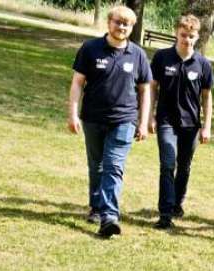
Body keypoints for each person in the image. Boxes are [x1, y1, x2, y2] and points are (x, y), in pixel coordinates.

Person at [68, 4, 151, 237]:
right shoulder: (90, 48)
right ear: (109, 22)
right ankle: (96, 207)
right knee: (97, 165)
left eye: (127, 24)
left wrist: (143, 122)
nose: (122, 27)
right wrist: (73, 113)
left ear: (132, 27)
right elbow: (77, 83)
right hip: (93, 118)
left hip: (124, 120)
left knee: (114, 166)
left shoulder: (138, 55)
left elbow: (145, 90)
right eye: (118, 22)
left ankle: (109, 217)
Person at [148, 14, 210, 230]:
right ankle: (165, 214)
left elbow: (206, 96)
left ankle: (177, 203)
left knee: (184, 166)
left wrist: (206, 126)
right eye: (183, 35)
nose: (187, 40)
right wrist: (149, 115)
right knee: (167, 164)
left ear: (197, 37)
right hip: (166, 121)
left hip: (191, 125)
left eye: (191, 36)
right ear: (176, 33)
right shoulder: (162, 57)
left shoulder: (202, 63)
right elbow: (152, 88)